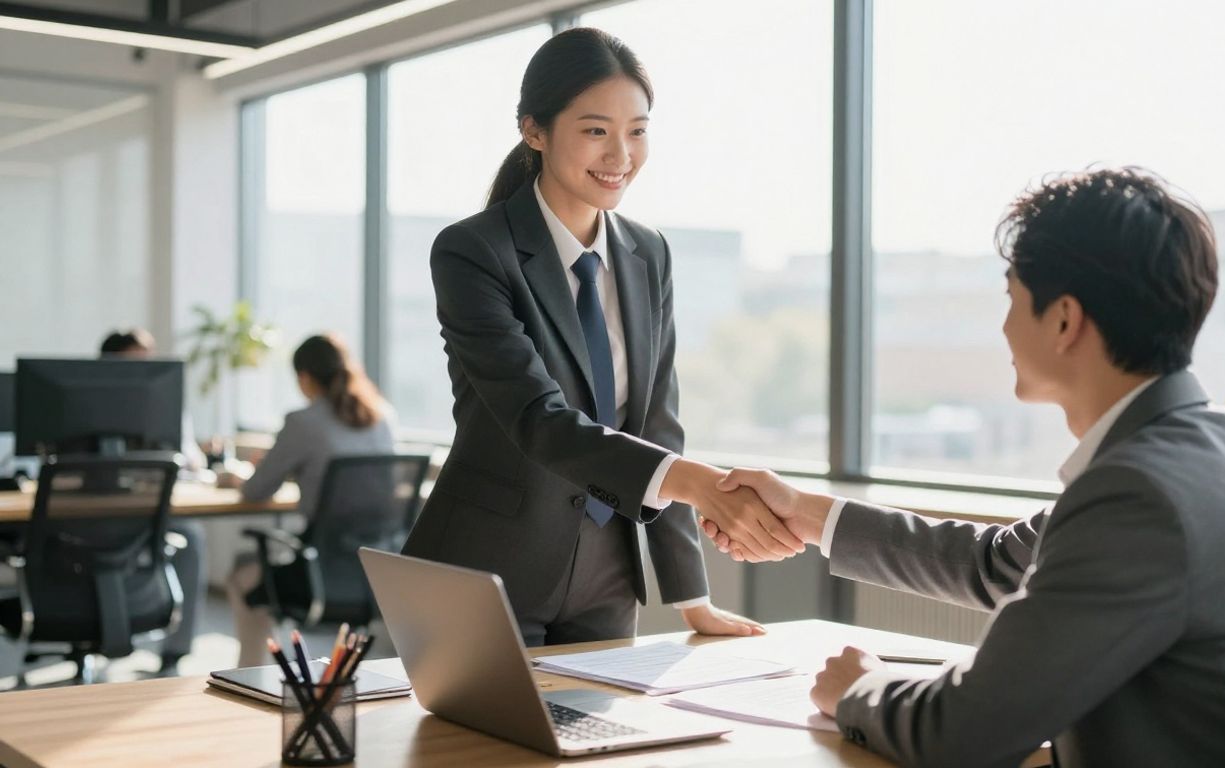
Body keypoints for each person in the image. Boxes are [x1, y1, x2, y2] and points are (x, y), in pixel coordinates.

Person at [703, 168, 1225, 767]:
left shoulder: (1140, 490)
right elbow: (996, 562)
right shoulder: (1209, 443)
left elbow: (963, 736)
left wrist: (860, 690)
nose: (1002, 325)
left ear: (1063, 320)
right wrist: (806, 514)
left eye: (1011, 298)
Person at [401, 27, 801, 648]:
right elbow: (539, 418)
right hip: (485, 571)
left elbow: (655, 423)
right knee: (478, 750)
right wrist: (697, 484)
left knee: (601, 744)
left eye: (637, 131)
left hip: (607, 580)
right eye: (595, 130)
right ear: (535, 131)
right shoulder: (474, 251)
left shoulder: (648, 253)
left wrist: (692, 598)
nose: (621, 154)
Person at [222, 333, 394, 666]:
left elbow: (256, 490)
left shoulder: (302, 422)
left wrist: (235, 476)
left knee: (243, 574)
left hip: (319, 573)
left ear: (304, 378)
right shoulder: (382, 417)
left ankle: (251, 673)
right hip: (374, 570)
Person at [98, 328, 207, 674]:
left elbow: (192, 458)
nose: (143, 373)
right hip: (97, 508)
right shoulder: (91, 403)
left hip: (154, 508)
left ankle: (175, 652)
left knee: (191, 538)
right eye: (133, 364)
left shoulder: (167, 402)